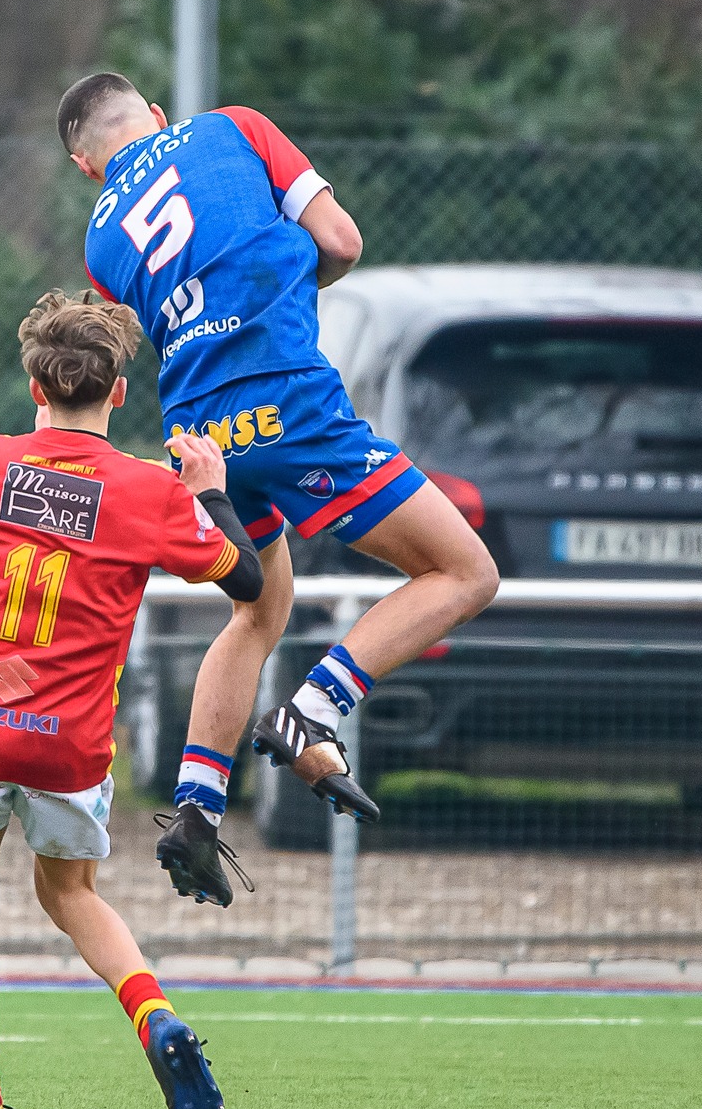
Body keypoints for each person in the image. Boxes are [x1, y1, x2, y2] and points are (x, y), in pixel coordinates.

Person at [55, 72, 499, 906]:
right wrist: (287, 282)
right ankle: (314, 711)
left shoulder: (101, 239)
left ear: (88, 166)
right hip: (286, 400)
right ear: (154, 114)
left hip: (200, 434)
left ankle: (195, 807)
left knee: (258, 610)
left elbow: (157, 329)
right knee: (465, 572)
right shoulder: (236, 127)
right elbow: (343, 241)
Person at [0, 290, 266, 1109]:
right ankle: (155, 1019)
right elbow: (247, 582)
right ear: (118, 393)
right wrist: (209, 490)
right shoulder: (150, 491)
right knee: (71, 893)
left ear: (36, 388)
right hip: (69, 741)